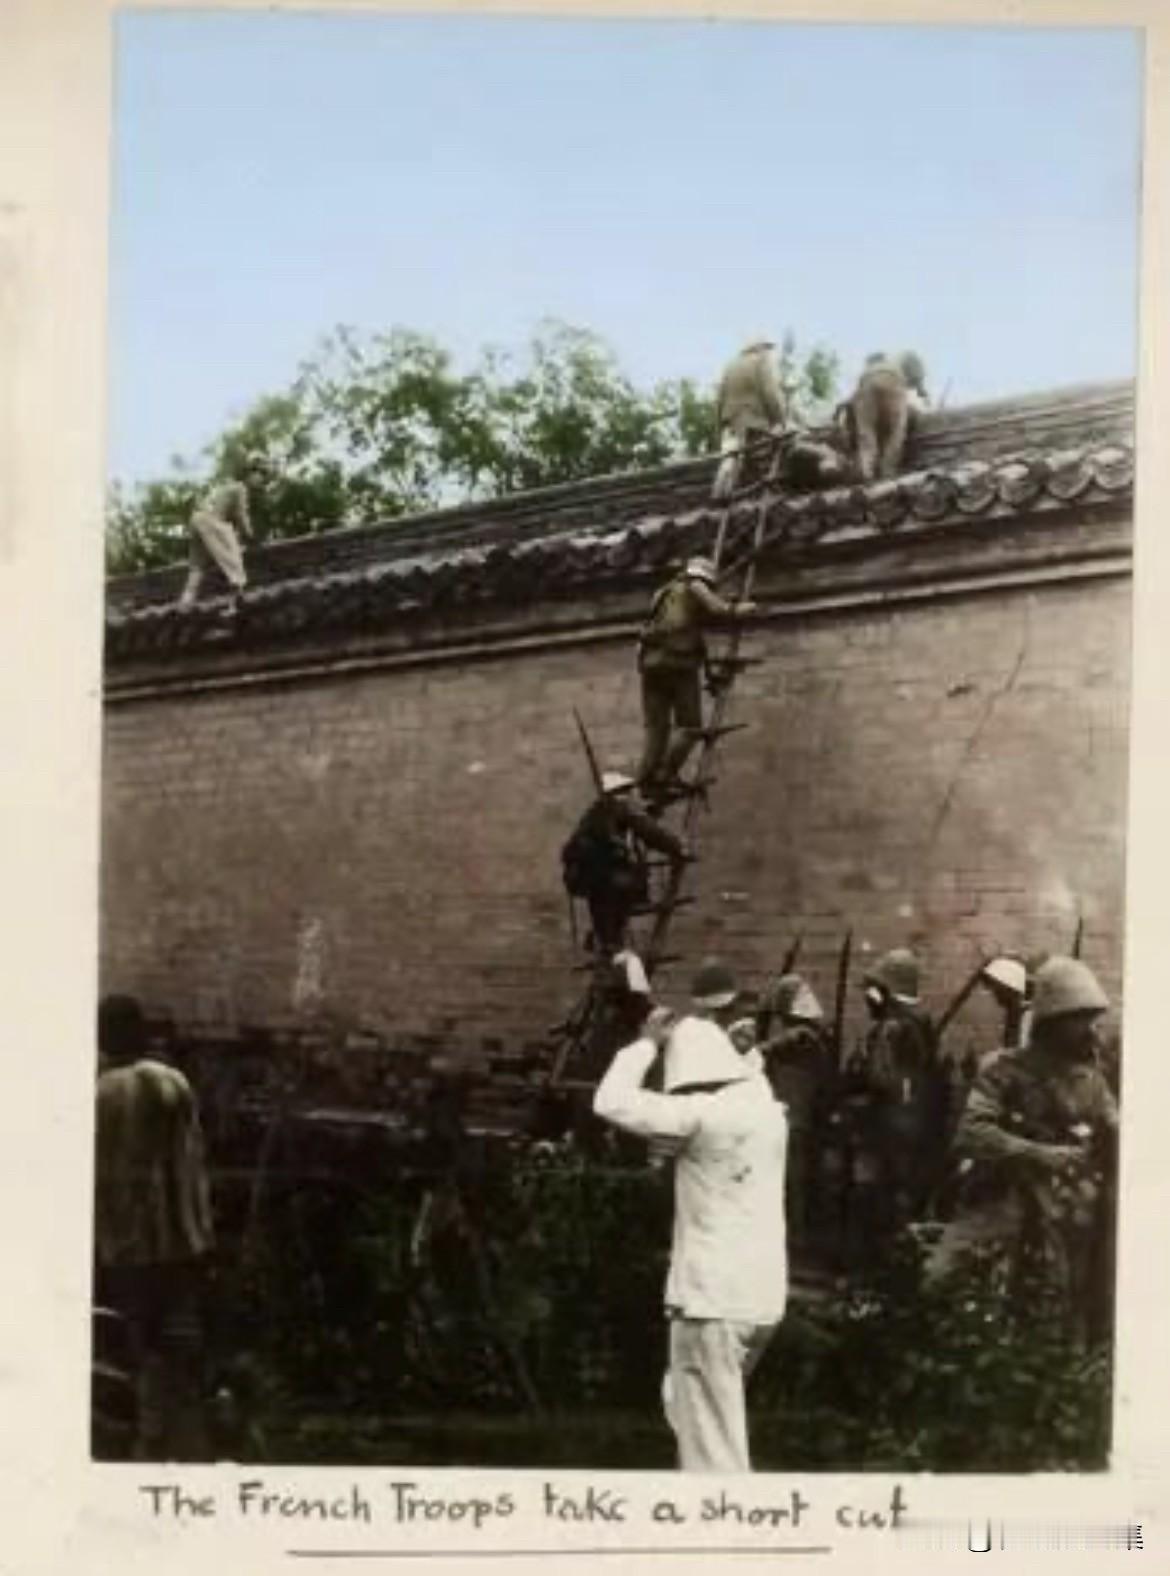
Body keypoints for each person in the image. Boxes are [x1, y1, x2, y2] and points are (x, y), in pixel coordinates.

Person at [593, 959, 788, 1473]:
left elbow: (610, 1101)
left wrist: (645, 1045)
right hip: (761, 1300)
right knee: (690, 1404)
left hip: (710, 1301)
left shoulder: (700, 1115)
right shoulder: (765, 1107)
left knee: (713, 1452)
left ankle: (719, 1535)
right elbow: (748, 1068)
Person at [929, 958, 1118, 1342]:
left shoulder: (1090, 1081)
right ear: (1052, 1017)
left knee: (1068, 1304)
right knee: (942, 1281)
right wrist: (1039, 1152)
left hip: (1066, 1208)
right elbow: (971, 1134)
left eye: (1092, 1017)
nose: (1089, 1028)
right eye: (1079, 1017)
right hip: (1000, 1198)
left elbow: (1113, 1130)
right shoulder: (1002, 1069)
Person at [93, 994, 215, 1460]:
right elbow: (193, 1163)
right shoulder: (172, 1082)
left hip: (126, 1249)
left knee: (138, 1346)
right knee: (181, 1344)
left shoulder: (98, 1093)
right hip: (181, 1242)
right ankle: (183, 1437)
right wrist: (202, 1233)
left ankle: (148, 1439)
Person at [636, 558, 756, 798]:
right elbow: (719, 610)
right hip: (678, 664)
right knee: (690, 725)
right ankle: (666, 774)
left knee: (656, 729)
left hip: (650, 665)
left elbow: (685, 625)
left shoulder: (664, 592)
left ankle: (645, 782)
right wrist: (742, 609)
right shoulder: (696, 586)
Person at [856, 948, 943, 1229]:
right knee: (907, 1195)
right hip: (918, 1122)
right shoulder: (923, 1025)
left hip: (890, 1124)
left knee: (884, 1196)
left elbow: (880, 1078)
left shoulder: (890, 1028)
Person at [561, 771, 687, 955]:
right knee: (619, 894)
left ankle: (603, 940)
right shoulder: (620, 808)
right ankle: (607, 942)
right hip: (607, 876)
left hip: (588, 877)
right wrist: (677, 848)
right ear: (624, 793)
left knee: (605, 912)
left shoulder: (595, 813)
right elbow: (651, 833)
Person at [756, 973, 833, 1247]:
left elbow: (760, 1052)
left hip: (794, 1116)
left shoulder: (801, 1036)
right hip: (796, 1114)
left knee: (792, 1178)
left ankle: (795, 1235)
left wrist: (760, 1020)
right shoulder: (814, 1036)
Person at [712, 340, 788, 501]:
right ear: (760, 348)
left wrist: (718, 429)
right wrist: (780, 420)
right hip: (753, 422)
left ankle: (721, 493)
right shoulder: (761, 361)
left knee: (730, 458)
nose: (770, 353)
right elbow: (770, 393)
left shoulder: (730, 366)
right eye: (768, 349)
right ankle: (765, 493)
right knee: (762, 459)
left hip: (730, 422)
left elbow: (718, 401)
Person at [178, 468, 259, 610]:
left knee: (197, 568)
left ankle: (184, 604)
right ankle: (236, 601)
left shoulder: (225, 486)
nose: (259, 479)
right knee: (233, 556)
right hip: (212, 521)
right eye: (259, 475)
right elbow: (242, 517)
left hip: (197, 519)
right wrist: (252, 536)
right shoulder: (240, 488)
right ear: (249, 475)